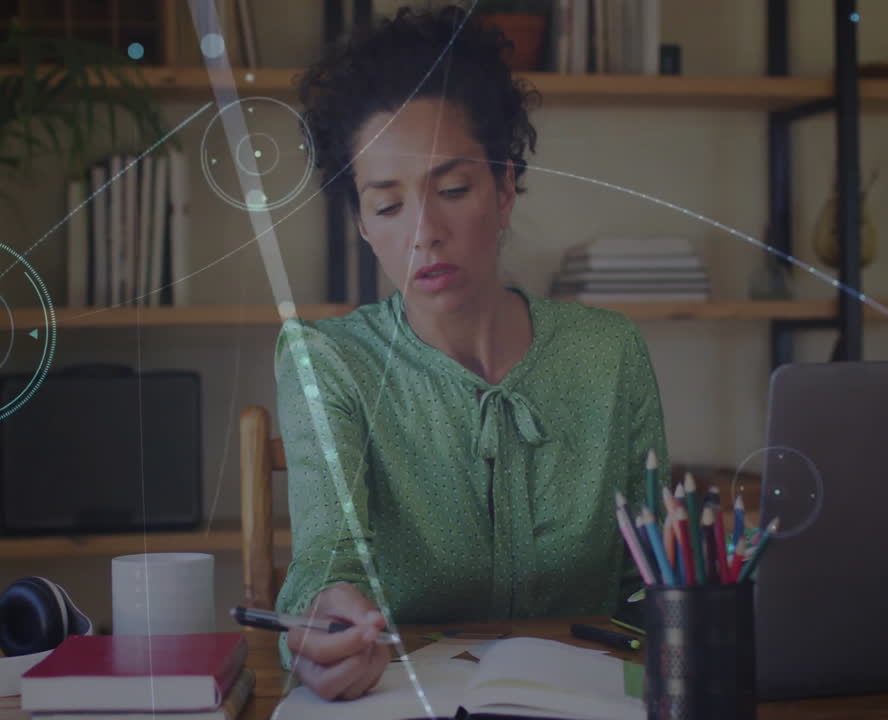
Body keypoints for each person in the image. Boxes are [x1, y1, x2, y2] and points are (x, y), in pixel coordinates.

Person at [272, 3, 669, 701]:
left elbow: (655, 584)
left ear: (505, 187)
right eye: (388, 205)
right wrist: (326, 615)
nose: (424, 232)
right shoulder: (328, 362)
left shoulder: (610, 356)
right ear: (362, 223)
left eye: (452, 190)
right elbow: (328, 561)